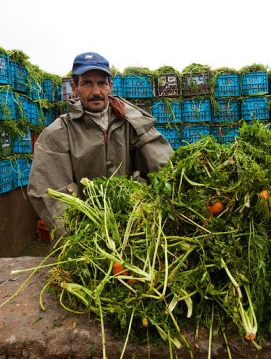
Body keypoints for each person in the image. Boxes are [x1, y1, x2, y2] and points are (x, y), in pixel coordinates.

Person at [28, 52, 173, 237]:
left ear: (110, 86)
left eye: (102, 83)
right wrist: (79, 237)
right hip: (84, 231)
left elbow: (162, 165)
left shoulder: (131, 123)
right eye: (87, 83)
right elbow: (50, 192)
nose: (96, 91)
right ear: (75, 87)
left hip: (130, 227)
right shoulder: (58, 133)